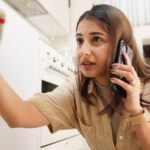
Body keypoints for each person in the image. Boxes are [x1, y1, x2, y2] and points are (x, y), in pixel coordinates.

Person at [0, 4, 150, 150]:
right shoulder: (76, 89)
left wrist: (136, 110)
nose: (83, 51)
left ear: (121, 46)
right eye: (80, 41)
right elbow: (19, 115)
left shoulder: (147, 87)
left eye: (96, 39)